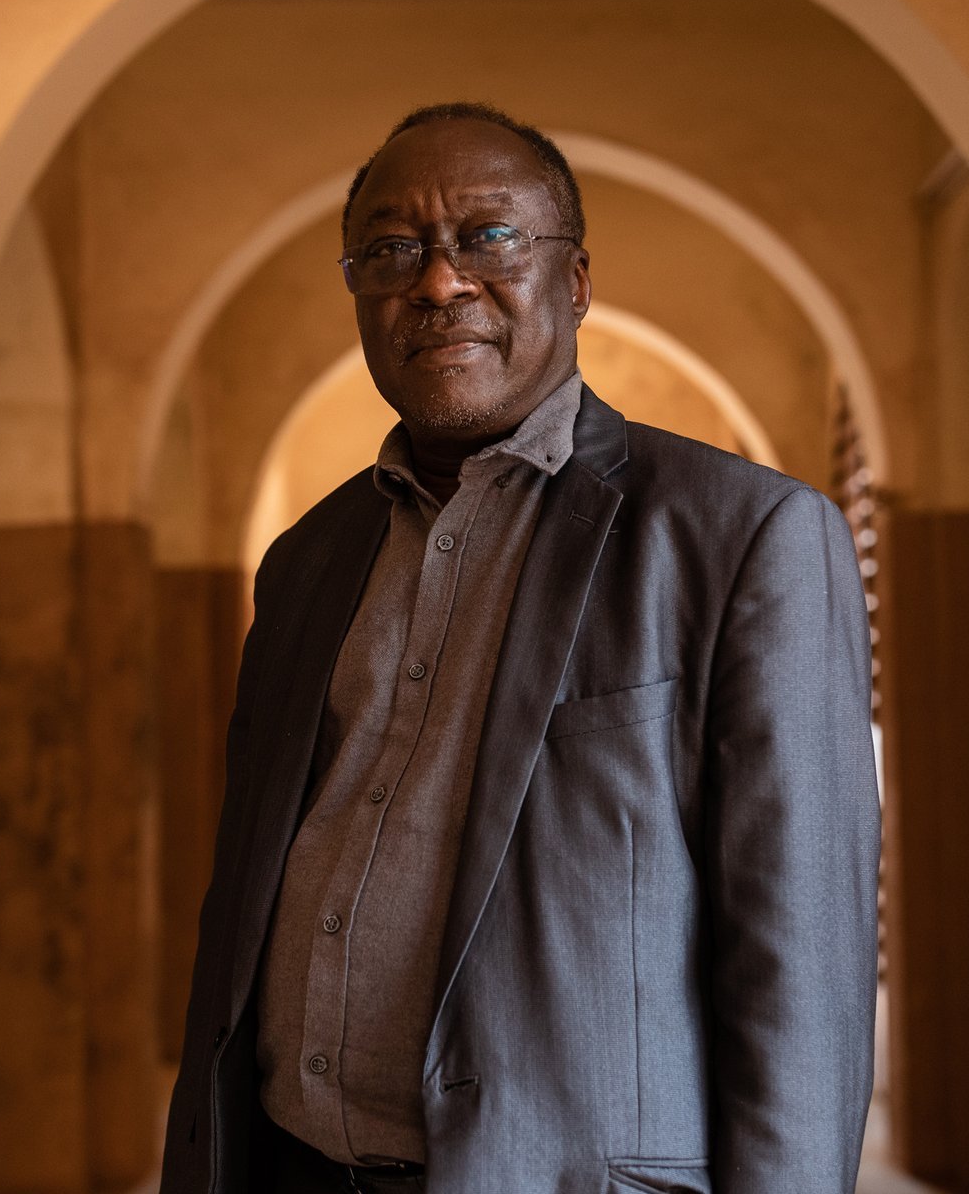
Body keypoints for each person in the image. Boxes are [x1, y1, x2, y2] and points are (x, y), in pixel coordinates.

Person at [159, 102, 879, 1194]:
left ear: (576, 279)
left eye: (489, 236)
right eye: (392, 249)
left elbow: (800, 971)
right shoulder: (305, 563)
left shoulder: (741, 537)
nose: (439, 282)